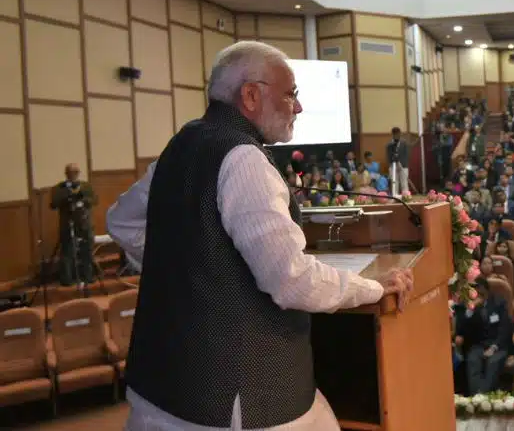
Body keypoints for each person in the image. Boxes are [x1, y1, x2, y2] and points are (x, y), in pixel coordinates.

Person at [106, 41, 414, 431]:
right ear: (250, 95)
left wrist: (192, 267)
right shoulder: (243, 158)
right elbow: (290, 280)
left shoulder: (181, 144)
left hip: (162, 390)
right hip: (240, 394)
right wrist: (371, 287)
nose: (298, 107)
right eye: (290, 94)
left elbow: (122, 223)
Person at [460, 277, 512, 394]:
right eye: (474, 290)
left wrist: (494, 347)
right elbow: (464, 329)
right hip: (479, 345)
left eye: (479, 289)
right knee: (473, 360)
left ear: (486, 290)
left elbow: (505, 329)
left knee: (493, 362)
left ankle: (482, 396)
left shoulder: (499, 303)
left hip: (497, 345)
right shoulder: (471, 306)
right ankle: (475, 396)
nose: (477, 293)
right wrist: (471, 310)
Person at [50, 163, 97, 286]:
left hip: (84, 222)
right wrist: (67, 196)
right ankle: (67, 280)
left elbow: (95, 200)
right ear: (66, 174)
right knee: (67, 252)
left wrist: (83, 199)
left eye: (76, 172)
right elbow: (53, 204)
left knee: (87, 251)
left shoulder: (85, 186)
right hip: (67, 224)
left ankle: (88, 277)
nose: (74, 174)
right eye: (71, 172)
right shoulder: (59, 188)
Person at [386, 126, 411, 196]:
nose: (397, 135)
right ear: (393, 134)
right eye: (395, 134)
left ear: (400, 134)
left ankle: (406, 197)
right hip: (393, 166)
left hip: (403, 166)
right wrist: (393, 164)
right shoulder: (389, 145)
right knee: (394, 183)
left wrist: (401, 164)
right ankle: (395, 196)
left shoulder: (404, 143)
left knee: (404, 183)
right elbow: (388, 157)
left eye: (398, 134)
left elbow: (406, 155)